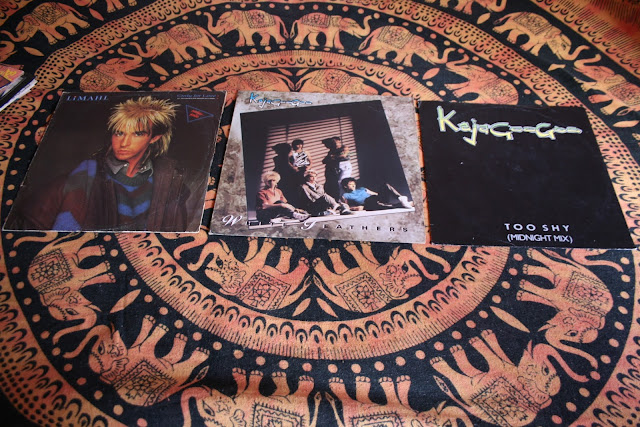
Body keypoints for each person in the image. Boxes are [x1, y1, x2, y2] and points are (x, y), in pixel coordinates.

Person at [12, 96, 191, 231]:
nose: (124, 142)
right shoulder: (79, 179)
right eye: (119, 133)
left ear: (154, 138)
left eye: (137, 134)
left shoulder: (170, 182)